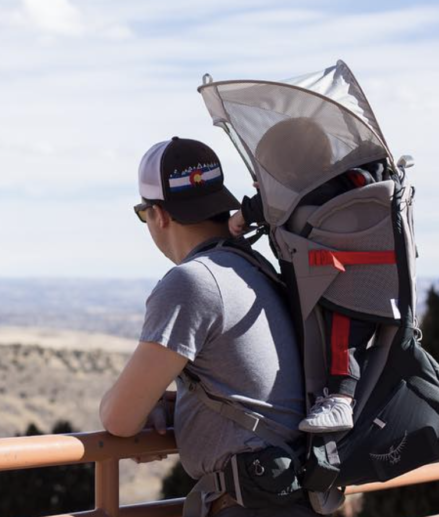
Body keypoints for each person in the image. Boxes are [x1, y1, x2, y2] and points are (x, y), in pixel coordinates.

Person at [99, 136, 315, 517]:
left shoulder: (191, 282)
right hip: (294, 495)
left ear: (159, 215)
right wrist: (177, 403)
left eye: (143, 213)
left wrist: (129, 404)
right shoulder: (257, 269)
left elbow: (119, 419)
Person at [227, 118, 384, 435]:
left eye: (267, 172)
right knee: (341, 341)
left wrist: (242, 215)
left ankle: (340, 400)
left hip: (347, 290)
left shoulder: (314, 193)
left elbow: (273, 205)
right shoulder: (347, 184)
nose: (261, 181)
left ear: (289, 172)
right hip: (365, 283)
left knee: (342, 343)